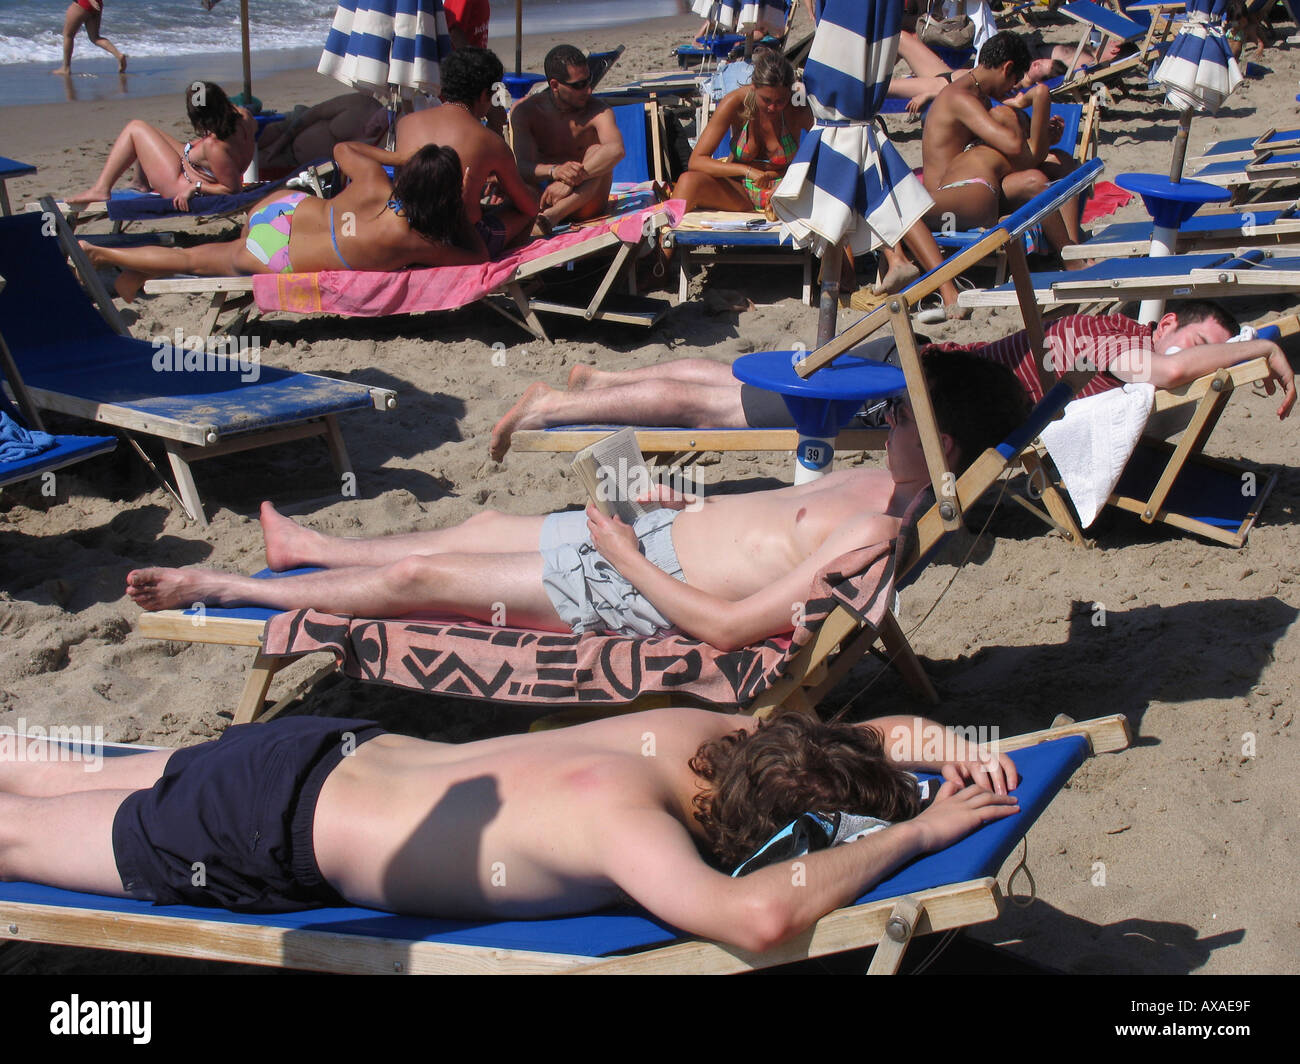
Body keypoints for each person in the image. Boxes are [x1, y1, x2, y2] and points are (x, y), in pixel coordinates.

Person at [126, 352, 1029, 651]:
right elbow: (766, 529)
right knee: (481, 524)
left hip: (644, 584)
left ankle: (226, 589)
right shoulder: (884, 478)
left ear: (944, 447)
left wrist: (633, 555)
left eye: (907, 409)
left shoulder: (878, 534)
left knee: (419, 573)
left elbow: (727, 629)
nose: (889, 412)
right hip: (660, 536)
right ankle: (312, 549)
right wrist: (675, 501)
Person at [0, 707, 1019, 948]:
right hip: (258, 822)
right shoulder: (628, 825)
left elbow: (864, 732)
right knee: (17, 839)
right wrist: (912, 839)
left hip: (311, 747)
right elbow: (756, 917)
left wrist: (939, 740)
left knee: (52, 765)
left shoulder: (703, 737)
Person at [487, 302, 1296, 459]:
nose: (1188, 357)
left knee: (728, 381)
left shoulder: (1100, 329)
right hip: (913, 388)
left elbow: (1177, 367)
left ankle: (601, 380)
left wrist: (1247, 345)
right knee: (724, 405)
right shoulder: (1105, 341)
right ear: (1160, 326)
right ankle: (555, 406)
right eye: (1193, 331)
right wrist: (1257, 343)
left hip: (919, 371)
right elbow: (1178, 368)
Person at [82, 142, 483, 301]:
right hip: (280, 254)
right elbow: (476, 259)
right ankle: (103, 253)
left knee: (195, 256)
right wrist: (464, 204)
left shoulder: (375, 183)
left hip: (282, 209)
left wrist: (398, 159)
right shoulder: (409, 238)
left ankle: (131, 273)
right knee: (192, 260)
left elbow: (342, 148)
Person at [921, 32, 1082, 262]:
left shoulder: (979, 97)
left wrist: (1045, 137)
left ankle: (1073, 248)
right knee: (1036, 178)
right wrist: (1028, 104)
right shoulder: (961, 98)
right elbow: (1014, 145)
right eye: (1013, 81)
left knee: (1062, 160)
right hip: (954, 191)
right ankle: (1070, 257)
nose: (1011, 89)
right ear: (1007, 68)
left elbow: (1008, 146)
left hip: (986, 181)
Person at [395, 47, 540, 258]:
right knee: (530, 201)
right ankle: (503, 267)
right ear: (484, 95)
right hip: (463, 241)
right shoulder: (488, 140)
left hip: (410, 231)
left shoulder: (406, 123)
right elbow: (528, 206)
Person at [67, 81, 255, 210]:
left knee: (135, 129)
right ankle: (140, 182)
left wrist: (196, 187)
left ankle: (101, 189)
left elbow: (232, 190)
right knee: (149, 132)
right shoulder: (245, 117)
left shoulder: (215, 148)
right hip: (196, 165)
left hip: (181, 183)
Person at [674, 47, 814, 215]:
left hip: (784, 190)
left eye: (780, 101)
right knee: (687, 182)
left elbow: (826, 154)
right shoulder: (736, 102)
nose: (772, 107)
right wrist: (747, 171)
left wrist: (790, 181)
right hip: (739, 189)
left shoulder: (797, 108)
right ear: (754, 87)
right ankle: (667, 237)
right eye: (766, 100)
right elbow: (696, 161)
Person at [511, 44, 626, 231]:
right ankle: (549, 214)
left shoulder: (598, 110)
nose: (588, 90)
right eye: (579, 85)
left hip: (586, 203)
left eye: (588, 81)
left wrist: (570, 180)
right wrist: (555, 172)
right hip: (545, 198)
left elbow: (616, 150)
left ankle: (553, 216)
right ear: (555, 85)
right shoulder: (527, 112)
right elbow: (522, 167)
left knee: (597, 151)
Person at [257, 93, 388, 176]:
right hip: (289, 128)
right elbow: (314, 113)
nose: (375, 125)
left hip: (295, 164)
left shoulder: (383, 146)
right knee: (253, 136)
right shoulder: (362, 104)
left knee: (252, 166)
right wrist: (282, 141)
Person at [52, 0, 126, 76]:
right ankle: (118, 55)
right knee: (95, 37)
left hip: (84, 3)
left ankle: (66, 68)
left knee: (68, 35)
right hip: (97, 3)